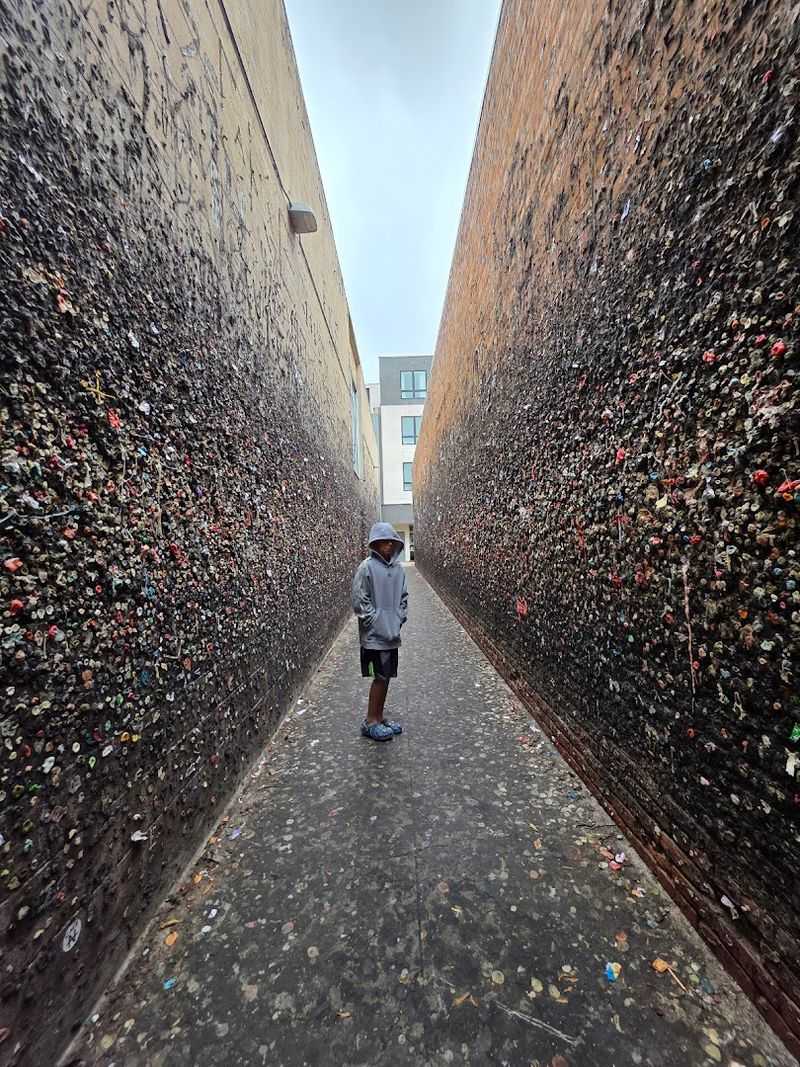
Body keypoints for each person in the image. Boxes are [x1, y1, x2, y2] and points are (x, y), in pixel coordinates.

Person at [351, 521, 408, 741]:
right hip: (375, 637)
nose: (387, 546)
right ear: (375, 544)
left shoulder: (398, 569)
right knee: (380, 677)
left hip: (392, 635)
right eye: (382, 542)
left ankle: (379, 716)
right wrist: (376, 622)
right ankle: (371, 721)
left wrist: (398, 618)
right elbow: (359, 600)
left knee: (387, 677)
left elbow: (403, 597)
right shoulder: (366, 568)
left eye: (390, 542)